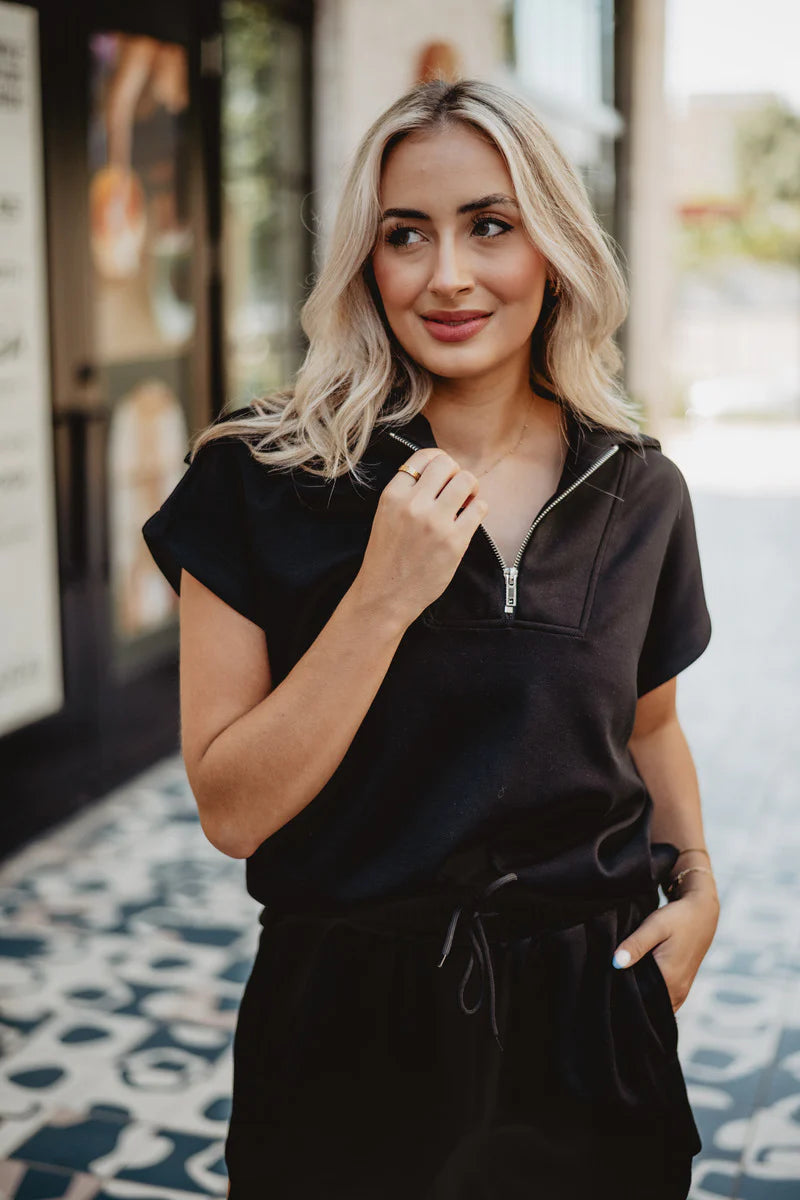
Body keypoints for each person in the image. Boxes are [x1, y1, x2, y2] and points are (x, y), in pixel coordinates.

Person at [141, 79, 720, 1200]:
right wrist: (382, 594)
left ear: (550, 249)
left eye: (489, 226)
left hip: (589, 1024)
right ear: (366, 262)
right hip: (346, 1029)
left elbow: (650, 730)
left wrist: (696, 891)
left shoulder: (637, 487)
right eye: (405, 234)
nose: (445, 274)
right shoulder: (257, 479)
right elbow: (230, 808)